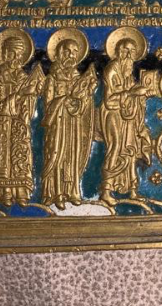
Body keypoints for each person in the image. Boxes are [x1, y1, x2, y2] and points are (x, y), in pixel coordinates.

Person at [0, 30, 42, 206]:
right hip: (3, 123)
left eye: (18, 54)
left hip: (19, 122)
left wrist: (32, 93)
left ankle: (21, 191)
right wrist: (19, 95)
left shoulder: (23, 76)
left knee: (20, 154)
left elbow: (28, 102)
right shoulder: (0, 75)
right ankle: (5, 192)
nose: (14, 57)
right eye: (10, 53)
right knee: (3, 158)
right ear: (5, 54)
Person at [41, 30, 97, 209]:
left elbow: (83, 103)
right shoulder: (52, 79)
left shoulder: (78, 78)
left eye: (74, 52)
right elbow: (47, 104)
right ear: (58, 54)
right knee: (58, 154)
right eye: (67, 51)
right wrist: (64, 100)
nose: (71, 56)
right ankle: (56, 192)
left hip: (74, 122)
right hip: (57, 123)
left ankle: (72, 192)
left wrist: (86, 94)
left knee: (73, 155)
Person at [100, 31, 153, 206]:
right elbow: (109, 100)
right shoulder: (112, 70)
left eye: (132, 51)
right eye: (125, 50)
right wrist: (132, 93)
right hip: (112, 114)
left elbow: (131, 92)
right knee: (115, 147)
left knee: (131, 149)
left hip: (127, 115)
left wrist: (141, 95)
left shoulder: (128, 72)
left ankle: (132, 189)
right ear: (117, 52)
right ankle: (106, 191)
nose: (129, 55)